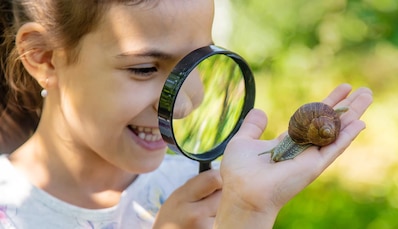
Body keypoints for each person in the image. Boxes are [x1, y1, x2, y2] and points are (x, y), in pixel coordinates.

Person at [0, 0, 373, 228]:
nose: (183, 105)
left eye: (196, 61)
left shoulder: (210, 187)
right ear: (45, 58)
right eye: (144, 68)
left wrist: (248, 214)